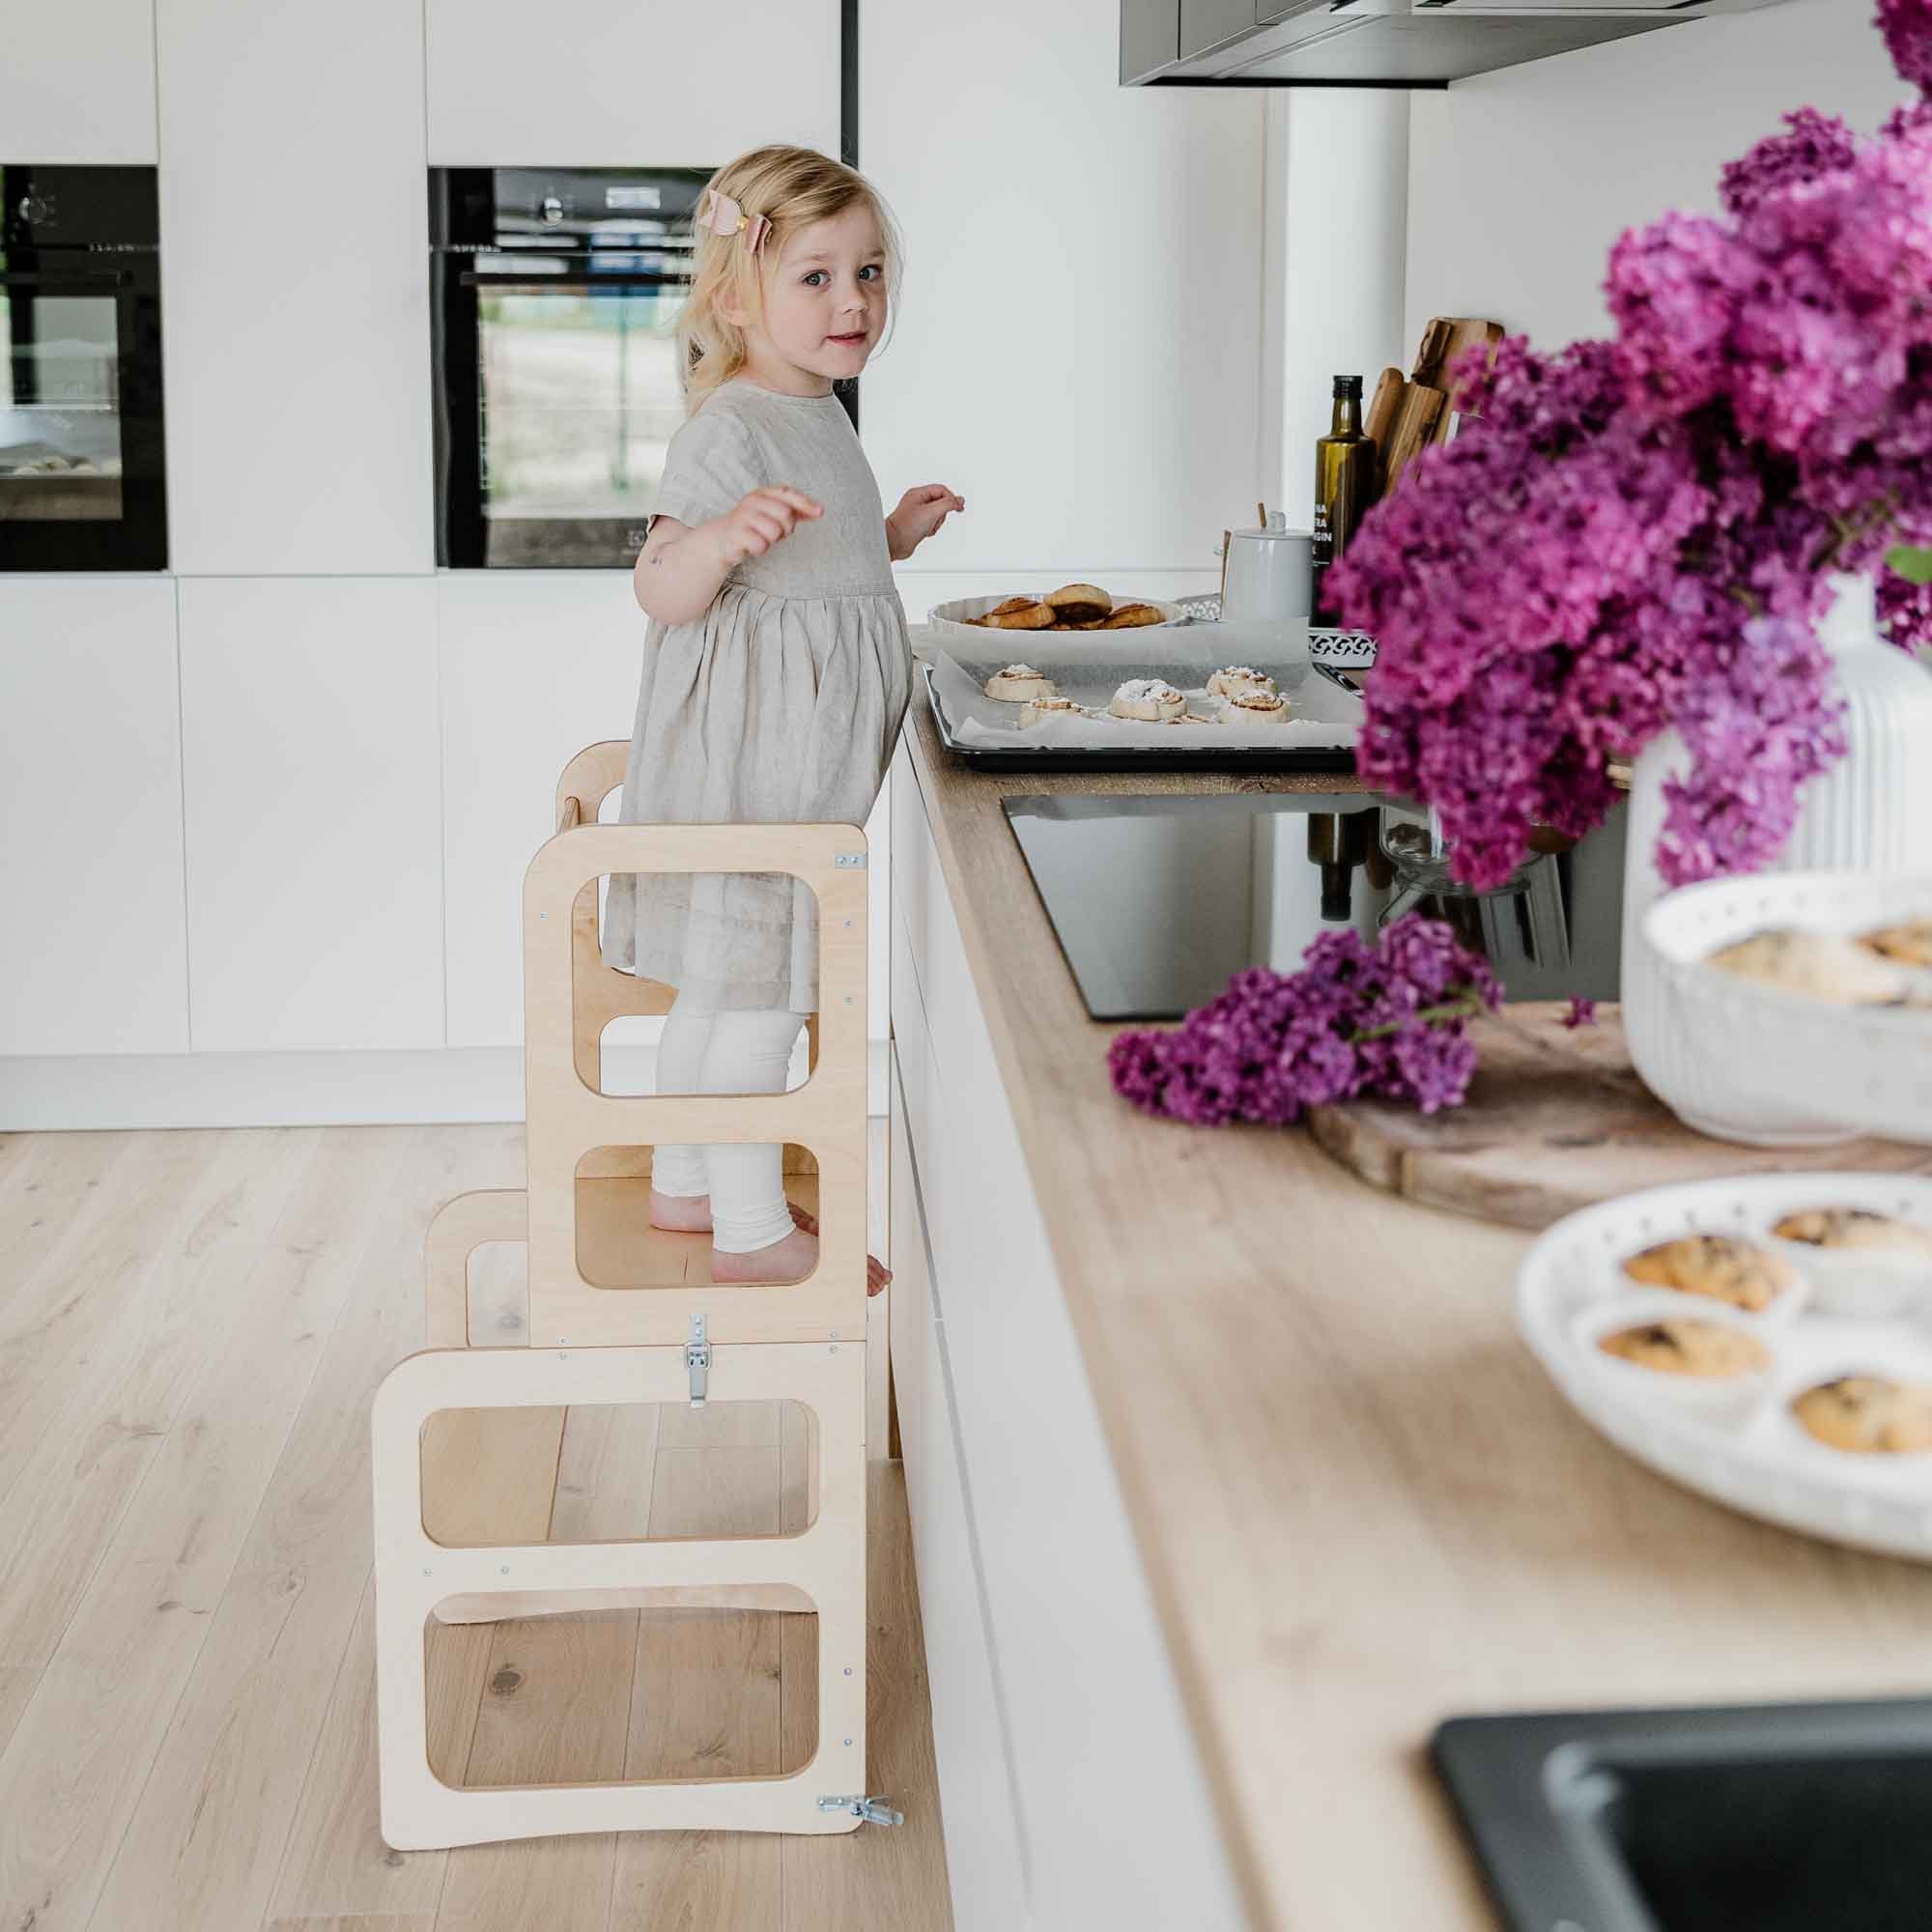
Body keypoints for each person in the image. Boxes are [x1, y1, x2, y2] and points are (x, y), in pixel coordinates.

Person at [602, 144, 962, 1295]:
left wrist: (889, 534)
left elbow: (816, 565)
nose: (851, 300)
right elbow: (662, 587)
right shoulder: (729, 428)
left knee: (724, 988)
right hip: (752, 779)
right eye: (814, 276)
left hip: (795, 772)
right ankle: (750, 1229)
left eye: (867, 272)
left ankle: (686, 1183)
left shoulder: (818, 413)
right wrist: (711, 542)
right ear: (733, 293)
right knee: (760, 991)